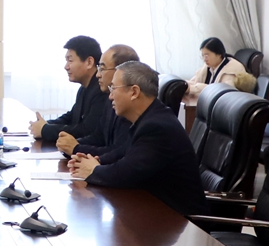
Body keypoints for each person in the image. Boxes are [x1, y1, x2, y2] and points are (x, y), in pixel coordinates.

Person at [69, 61, 206, 216]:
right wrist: (97, 160)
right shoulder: (148, 118)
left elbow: (125, 173)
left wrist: (94, 170)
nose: (110, 96)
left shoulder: (157, 127)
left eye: (113, 88)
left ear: (134, 92)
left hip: (178, 220)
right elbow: (124, 153)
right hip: (156, 211)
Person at [56, 44, 140, 163]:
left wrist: (76, 148)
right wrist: (70, 144)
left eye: (102, 69)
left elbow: (119, 152)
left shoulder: (131, 105)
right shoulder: (110, 99)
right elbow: (98, 137)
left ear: (121, 72)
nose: (98, 74)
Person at [28, 35, 106, 144]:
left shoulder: (101, 90)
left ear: (89, 62)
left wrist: (45, 130)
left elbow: (86, 131)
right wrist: (45, 124)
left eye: (70, 60)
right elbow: (71, 117)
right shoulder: (84, 88)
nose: (66, 66)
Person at [186, 38, 253, 96]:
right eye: (202, 56)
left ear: (219, 54)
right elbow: (195, 81)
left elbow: (222, 91)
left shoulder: (231, 70)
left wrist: (192, 88)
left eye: (206, 56)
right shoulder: (208, 66)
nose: (204, 59)